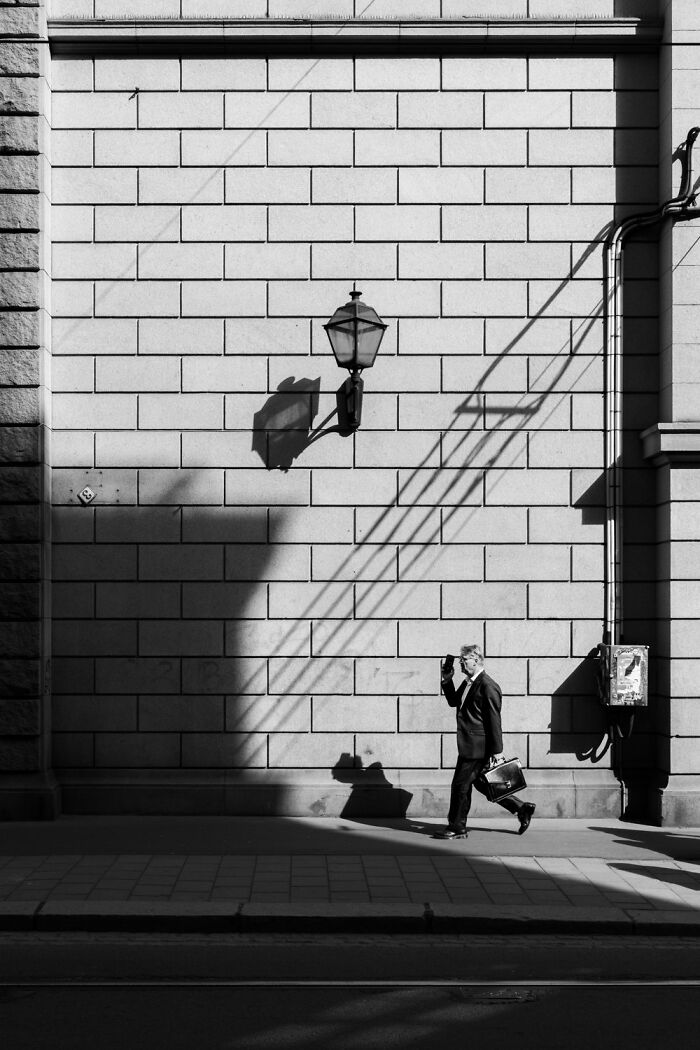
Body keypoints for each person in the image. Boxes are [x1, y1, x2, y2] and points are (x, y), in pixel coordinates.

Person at [434, 644, 535, 839]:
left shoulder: (488, 685)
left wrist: (497, 752)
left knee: (460, 786)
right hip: (470, 745)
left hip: (477, 748)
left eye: (465, 660)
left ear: (477, 659)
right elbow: (454, 701)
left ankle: (457, 827)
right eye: (461, 660)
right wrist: (447, 680)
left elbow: (494, 721)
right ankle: (521, 808)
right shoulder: (469, 682)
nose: (462, 663)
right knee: (483, 783)